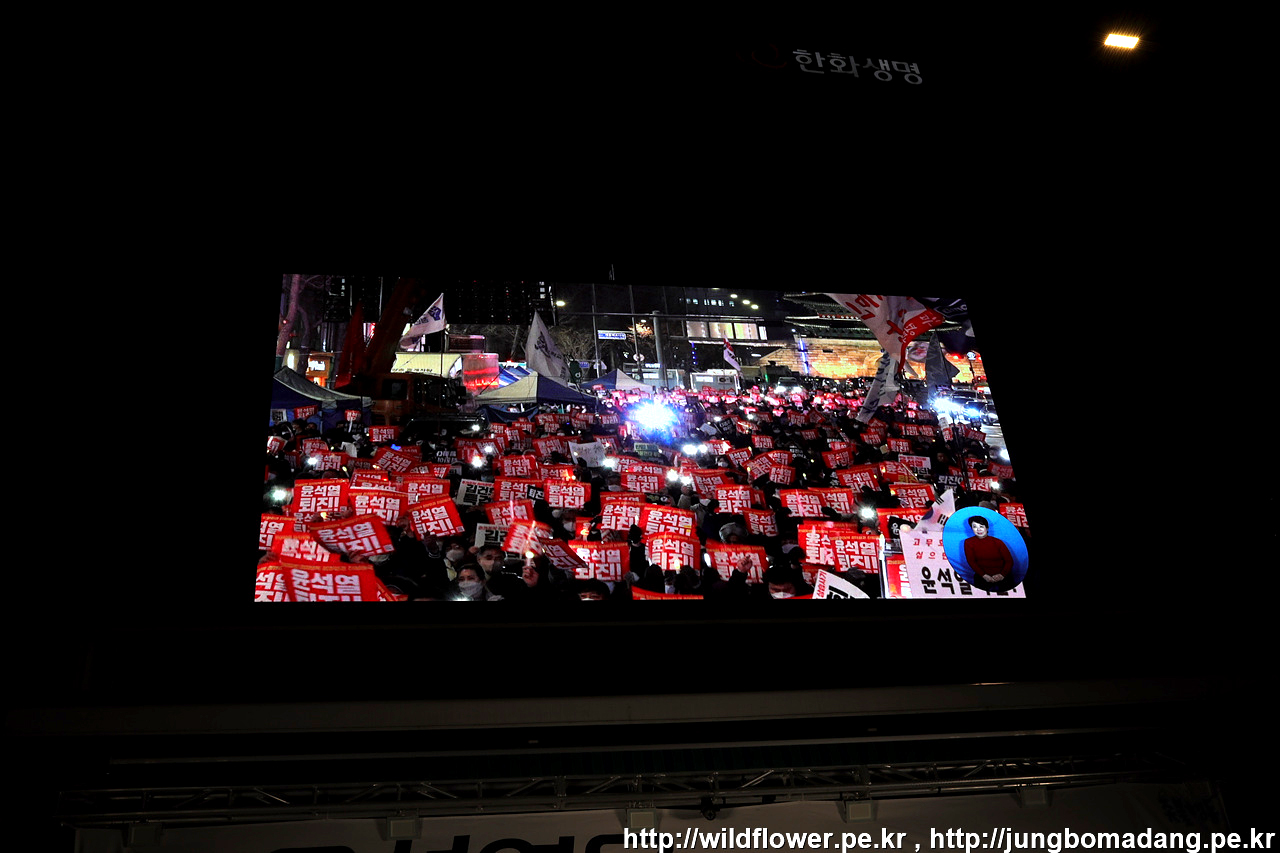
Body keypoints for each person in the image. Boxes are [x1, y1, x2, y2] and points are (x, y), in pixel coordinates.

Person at [962, 515, 1015, 587]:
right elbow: (971, 562)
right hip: (982, 575)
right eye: (975, 527)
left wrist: (1002, 575)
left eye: (981, 526)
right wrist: (984, 575)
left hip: (1002, 574)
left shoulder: (998, 542)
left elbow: (1009, 561)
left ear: (987, 528)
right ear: (972, 529)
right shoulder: (968, 542)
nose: (978, 529)